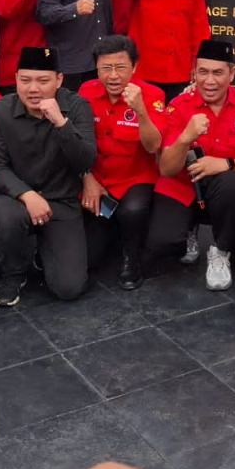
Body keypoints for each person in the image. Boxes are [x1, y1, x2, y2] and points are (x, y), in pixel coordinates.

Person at [148, 40, 235, 291]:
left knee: (232, 181)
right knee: (162, 243)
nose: (209, 81)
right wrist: (185, 138)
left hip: (222, 189)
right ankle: (189, 230)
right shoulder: (180, 106)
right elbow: (167, 169)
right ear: (194, 73)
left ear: (232, 73)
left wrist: (224, 163)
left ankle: (220, 251)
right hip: (183, 187)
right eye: (202, 72)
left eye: (218, 73)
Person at [0, 46, 95, 306]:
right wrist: (27, 195)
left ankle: (44, 254)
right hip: (18, 196)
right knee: (4, 216)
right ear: (16, 80)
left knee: (69, 288)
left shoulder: (77, 107)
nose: (33, 88)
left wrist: (60, 123)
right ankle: (13, 273)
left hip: (62, 199)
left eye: (43, 81)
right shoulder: (0, 110)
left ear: (59, 80)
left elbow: (86, 160)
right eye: (25, 80)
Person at [78, 36, 166, 290]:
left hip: (135, 178)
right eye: (106, 68)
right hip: (96, 178)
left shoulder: (152, 95)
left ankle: (132, 259)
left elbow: (153, 146)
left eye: (121, 68)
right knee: (89, 259)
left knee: (133, 211)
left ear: (135, 67)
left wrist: (141, 111)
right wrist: (88, 178)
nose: (113, 76)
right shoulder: (86, 92)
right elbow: (76, 141)